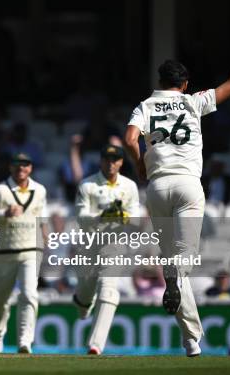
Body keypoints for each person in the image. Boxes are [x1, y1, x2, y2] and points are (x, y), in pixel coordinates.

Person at [124, 25, 230, 357]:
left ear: (160, 83)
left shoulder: (146, 106)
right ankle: (178, 287)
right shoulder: (193, 103)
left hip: (158, 187)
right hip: (189, 185)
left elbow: (130, 139)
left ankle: (191, 339)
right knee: (183, 261)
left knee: (172, 266)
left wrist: (139, 166)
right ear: (185, 84)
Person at [73, 145, 139, 355]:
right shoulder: (87, 185)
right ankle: (82, 302)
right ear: (101, 161)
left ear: (121, 162)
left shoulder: (129, 186)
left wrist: (123, 216)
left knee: (108, 287)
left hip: (114, 244)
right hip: (90, 243)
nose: (111, 163)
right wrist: (102, 216)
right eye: (107, 159)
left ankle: (96, 344)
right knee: (86, 290)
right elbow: (81, 216)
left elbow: (136, 217)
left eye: (115, 159)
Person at [0, 152, 48, 354]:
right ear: (10, 167)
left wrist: (45, 235)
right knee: (1, 300)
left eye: (25, 164)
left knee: (29, 295)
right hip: (5, 252)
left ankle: (25, 341)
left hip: (31, 250)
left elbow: (42, 216)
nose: (21, 168)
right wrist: (3, 213)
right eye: (17, 164)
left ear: (30, 167)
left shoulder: (40, 190)